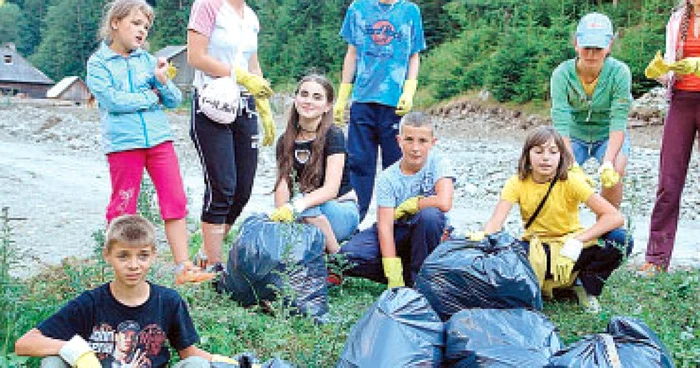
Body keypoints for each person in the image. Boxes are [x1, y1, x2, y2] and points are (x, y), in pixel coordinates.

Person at [86, 0, 213, 285]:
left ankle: (183, 268)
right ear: (115, 23)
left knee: (176, 199)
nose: (142, 30)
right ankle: (120, 270)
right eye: (135, 23)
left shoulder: (149, 60)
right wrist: (149, 97)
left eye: (146, 26)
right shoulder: (98, 63)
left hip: (159, 140)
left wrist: (161, 80)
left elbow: (173, 99)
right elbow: (112, 101)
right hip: (123, 143)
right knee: (124, 205)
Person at [14, 214, 240, 368]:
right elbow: (24, 343)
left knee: (198, 366)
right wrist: (74, 350)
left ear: (153, 255)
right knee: (53, 361)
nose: (133, 265)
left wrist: (234, 363)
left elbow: (189, 354)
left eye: (142, 255)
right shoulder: (90, 303)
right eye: (123, 256)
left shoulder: (169, 301)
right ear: (107, 255)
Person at [472, 126, 632, 313]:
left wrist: (577, 241)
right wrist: (484, 239)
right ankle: (550, 286)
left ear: (561, 157)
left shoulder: (571, 181)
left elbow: (614, 216)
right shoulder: (516, 182)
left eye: (553, 152)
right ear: (527, 156)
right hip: (537, 249)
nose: (545, 157)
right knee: (503, 255)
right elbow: (495, 223)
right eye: (538, 151)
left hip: (570, 246)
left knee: (620, 239)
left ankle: (587, 286)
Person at [186, 0, 275, 271]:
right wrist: (240, 76)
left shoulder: (250, 16)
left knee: (243, 188)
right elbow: (196, 57)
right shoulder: (207, 5)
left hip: (243, 105)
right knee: (222, 186)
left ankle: (206, 249)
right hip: (211, 101)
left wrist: (264, 105)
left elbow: (253, 64)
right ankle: (213, 266)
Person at [333, 0, 427, 221]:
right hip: (363, 100)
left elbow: (414, 55)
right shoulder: (358, 8)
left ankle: (396, 224)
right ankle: (352, 222)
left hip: (394, 104)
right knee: (358, 165)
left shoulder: (410, 11)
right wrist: (343, 95)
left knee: (397, 167)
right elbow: (352, 53)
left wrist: (409, 90)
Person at [339, 112, 454, 288]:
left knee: (429, 216)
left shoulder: (438, 162)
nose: (415, 147)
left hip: (428, 231)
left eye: (422, 141)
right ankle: (406, 273)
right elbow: (385, 227)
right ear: (399, 141)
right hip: (398, 230)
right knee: (348, 256)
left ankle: (421, 281)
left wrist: (414, 204)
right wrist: (392, 272)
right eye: (409, 140)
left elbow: (444, 202)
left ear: (432, 143)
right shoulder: (387, 178)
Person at [268, 75, 360, 254]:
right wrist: (281, 213)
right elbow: (283, 185)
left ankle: (336, 260)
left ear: (327, 106)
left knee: (305, 203)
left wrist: (295, 206)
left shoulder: (333, 135)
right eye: (304, 94)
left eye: (317, 97)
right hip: (307, 212)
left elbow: (330, 190)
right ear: (295, 99)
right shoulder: (284, 140)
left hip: (340, 210)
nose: (308, 101)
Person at [550, 12, 633, 209]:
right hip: (574, 133)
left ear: (609, 46)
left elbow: (618, 119)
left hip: (607, 133)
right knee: (558, 172)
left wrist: (608, 162)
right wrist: (570, 164)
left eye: (598, 48)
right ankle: (561, 227)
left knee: (615, 173)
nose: (591, 54)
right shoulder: (562, 74)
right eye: (587, 47)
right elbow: (560, 121)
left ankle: (607, 228)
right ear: (576, 44)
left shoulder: (620, 73)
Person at [641, 0, 700, 276]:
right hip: (681, 101)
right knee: (669, 181)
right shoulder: (677, 19)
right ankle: (656, 259)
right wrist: (660, 72)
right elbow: (670, 69)